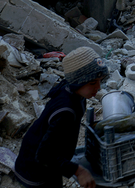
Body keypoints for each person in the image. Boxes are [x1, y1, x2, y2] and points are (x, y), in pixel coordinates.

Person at [14, 47, 107, 188]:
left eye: (100, 81)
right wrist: (78, 171)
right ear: (79, 81)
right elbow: (44, 155)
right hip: (35, 169)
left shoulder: (74, 92)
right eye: (93, 83)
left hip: (51, 162)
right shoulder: (66, 111)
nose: (98, 88)